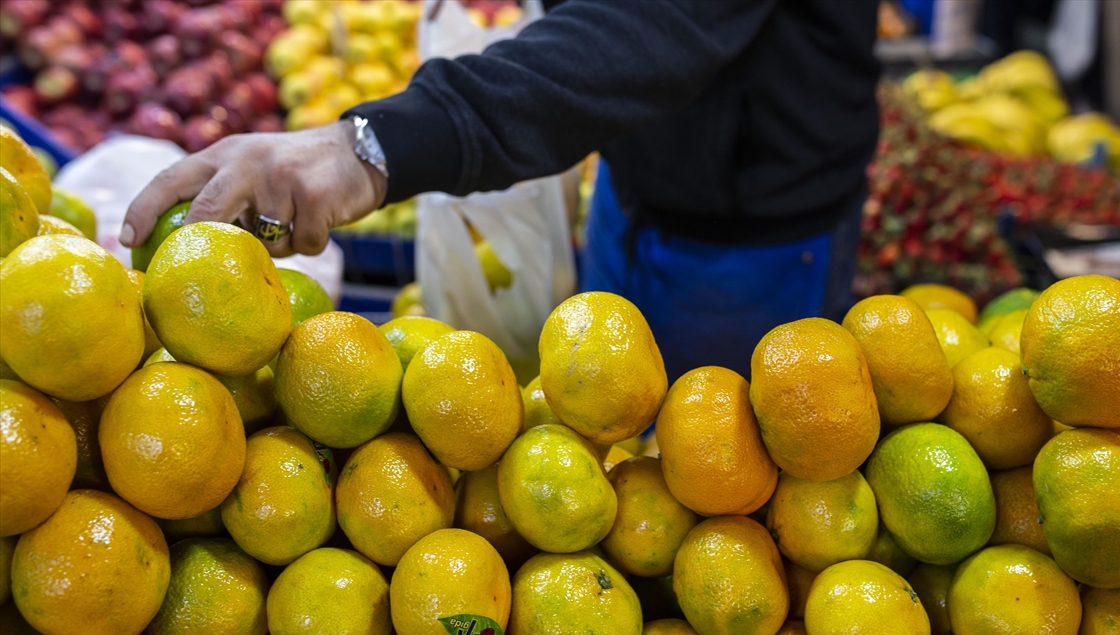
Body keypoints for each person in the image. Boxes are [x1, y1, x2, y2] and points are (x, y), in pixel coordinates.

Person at [123, 0, 881, 380]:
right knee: (607, 432)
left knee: (718, 495)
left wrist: (373, 148)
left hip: (752, 226)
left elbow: (648, 25)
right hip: (635, 171)